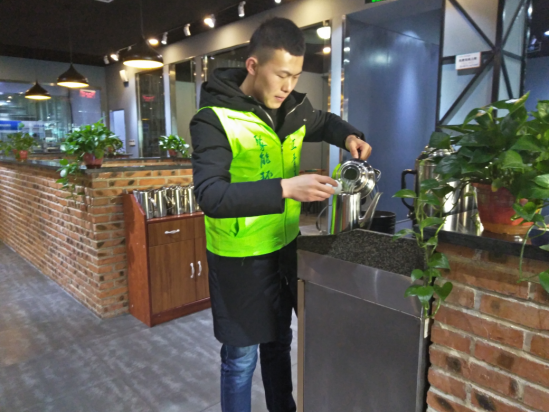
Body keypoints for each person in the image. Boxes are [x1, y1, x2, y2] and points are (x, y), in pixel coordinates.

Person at [190, 17, 372, 412]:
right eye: (281, 75)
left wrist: (349, 136)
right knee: (241, 360)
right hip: (240, 259)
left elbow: (324, 122)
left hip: (284, 249)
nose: (288, 86)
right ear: (253, 66)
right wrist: (286, 188)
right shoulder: (214, 119)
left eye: (296, 76)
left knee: (279, 342)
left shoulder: (292, 110)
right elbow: (211, 195)